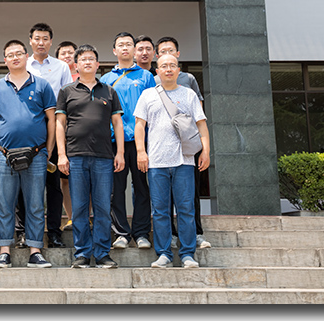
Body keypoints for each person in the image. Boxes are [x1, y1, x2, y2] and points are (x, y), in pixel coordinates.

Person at [134, 53, 210, 268]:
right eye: (164, 66)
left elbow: (201, 124)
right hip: (157, 162)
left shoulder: (188, 94)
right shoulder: (148, 95)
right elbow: (139, 125)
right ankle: (164, 254)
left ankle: (187, 254)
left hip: (184, 161)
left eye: (172, 66)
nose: (168, 69)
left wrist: (205, 152)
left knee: (186, 209)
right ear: (157, 71)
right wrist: (141, 152)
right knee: (160, 211)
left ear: (178, 70)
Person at [0, 40, 56, 268]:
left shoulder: (42, 85)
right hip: (4, 154)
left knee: (36, 204)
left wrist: (48, 149)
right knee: (4, 204)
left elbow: (52, 120)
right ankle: (4, 251)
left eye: (18, 53)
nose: (15, 57)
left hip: (36, 154)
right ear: (4, 60)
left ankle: (35, 251)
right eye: (10, 55)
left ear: (26, 56)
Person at [56, 44, 125, 268]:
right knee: (79, 207)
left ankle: (103, 253)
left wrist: (120, 153)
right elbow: (60, 124)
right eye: (83, 59)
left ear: (97, 64)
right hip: (75, 156)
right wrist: (61, 155)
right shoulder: (67, 91)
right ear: (76, 65)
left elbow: (117, 123)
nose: (87, 62)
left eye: (91, 59)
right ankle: (82, 253)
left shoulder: (109, 91)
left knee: (103, 206)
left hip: (104, 157)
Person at [99, 32, 156, 250]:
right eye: (120, 45)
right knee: (116, 189)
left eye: (128, 45)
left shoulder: (146, 76)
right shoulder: (106, 79)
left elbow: (152, 108)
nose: (125, 48)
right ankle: (121, 232)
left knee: (141, 187)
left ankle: (141, 233)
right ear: (114, 50)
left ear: (134, 49)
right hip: (115, 142)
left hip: (141, 141)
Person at [154, 36, 211, 250]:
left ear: (178, 55)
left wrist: (202, 146)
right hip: (161, 148)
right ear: (157, 58)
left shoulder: (188, 79)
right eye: (163, 52)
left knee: (190, 194)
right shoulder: (153, 81)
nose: (167, 57)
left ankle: (196, 233)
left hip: (187, 145)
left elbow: (199, 114)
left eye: (171, 51)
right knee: (164, 197)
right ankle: (170, 235)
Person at [20, 23, 69, 249]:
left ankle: (54, 232)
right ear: (30, 40)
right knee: (25, 186)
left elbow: (67, 99)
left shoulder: (61, 67)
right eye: (37, 38)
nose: (41, 43)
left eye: (45, 38)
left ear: (51, 41)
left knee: (54, 186)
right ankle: (25, 232)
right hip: (28, 132)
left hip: (55, 131)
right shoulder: (23, 64)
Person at [55, 40, 79, 231]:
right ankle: (71, 217)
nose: (67, 56)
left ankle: (85, 217)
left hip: (80, 135)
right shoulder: (56, 78)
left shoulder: (84, 77)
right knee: (64, 178)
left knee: (83, 176)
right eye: (63, 53)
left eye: (70, 53)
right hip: (61, 132)